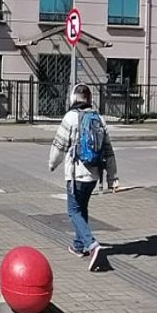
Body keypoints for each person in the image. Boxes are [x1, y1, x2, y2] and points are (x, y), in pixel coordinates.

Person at [48, 84, 119, 271]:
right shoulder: (98, 118)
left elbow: (59, 145)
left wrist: (52, 164)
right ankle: (79, 246)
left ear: (73, 98)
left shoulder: (70, 117)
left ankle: (93, 245)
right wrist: (112, 178)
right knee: (82, 208)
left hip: (76, 174)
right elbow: (109, 150)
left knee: (73, 211)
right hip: (94, 174)